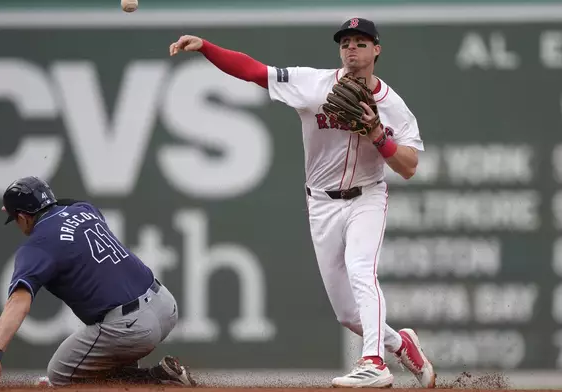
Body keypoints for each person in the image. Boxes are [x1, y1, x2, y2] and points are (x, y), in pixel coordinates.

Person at [168, 17, 436, 389]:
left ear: (376, 49)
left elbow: (408, 167)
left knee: (362, 270)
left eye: (361, 42)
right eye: (345, 43)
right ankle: (401, 344)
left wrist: (377, 134)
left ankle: (374, 361)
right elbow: (253, 71)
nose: (351, 48)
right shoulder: (312, 84)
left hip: (367, 197)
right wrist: (207, 48)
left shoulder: (394, 106)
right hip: (322, 203)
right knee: (346, 313)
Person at [0, 176, 195, 388]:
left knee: (59, 373)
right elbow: (63, 207)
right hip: (165, 306)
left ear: (22, 217)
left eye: (15, 219)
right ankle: (161, 374)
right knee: (103, 358)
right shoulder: (85, 210)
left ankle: (159, 378)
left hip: (131, 327)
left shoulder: (37, 246)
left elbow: (18, 303)